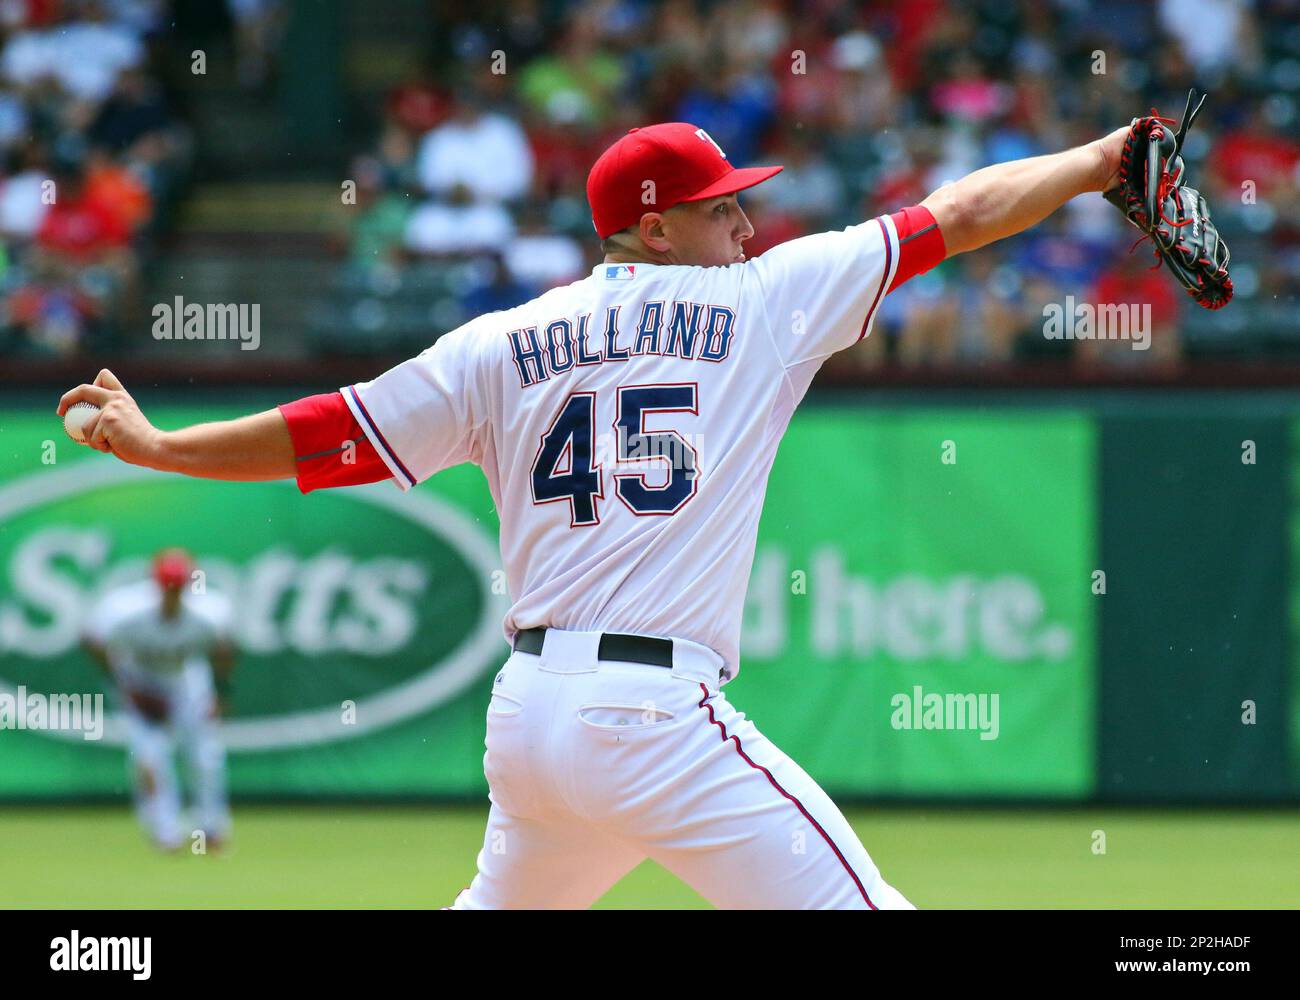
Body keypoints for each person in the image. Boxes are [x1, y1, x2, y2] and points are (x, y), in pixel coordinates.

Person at [59, 119, 1131, 907]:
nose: (746, 223)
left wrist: (162, 449)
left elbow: (331, 429)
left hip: (529, 716)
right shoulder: (763, 301)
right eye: (722, 208)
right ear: (655, 229)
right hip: (651, 713)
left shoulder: (495, 341)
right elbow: (961, 212)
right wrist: (1095, 163)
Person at [81, 548, 237, 852]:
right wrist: (127, 689)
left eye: (178, 586)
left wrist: (220, 692)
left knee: (206, 755)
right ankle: (165, 830)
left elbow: (223, 650)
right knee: (150, 756)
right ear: (155, 584)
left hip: (187, 680)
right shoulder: (125, 608)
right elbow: (92, 640)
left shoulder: (210, 611)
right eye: (168, 585)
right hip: (139, 679)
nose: (173, 592)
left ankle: (211, 827)